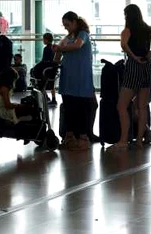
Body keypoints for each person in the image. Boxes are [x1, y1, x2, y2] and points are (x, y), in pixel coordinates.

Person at [108, 4, 151, 151]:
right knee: (142, 107)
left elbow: (123, 44)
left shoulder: (127, 30)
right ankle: (139, 142)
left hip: (134, 68)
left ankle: (123, 141)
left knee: (122, 106)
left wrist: (134, 57)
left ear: (127, 16)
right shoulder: (148, 29)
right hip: (148, 67)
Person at [53, 11, 95, 151]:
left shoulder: (83, 34)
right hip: (68, 77)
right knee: (69, 107)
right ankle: (69, 136)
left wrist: (61, 48)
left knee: (80, 107)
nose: (66, 27)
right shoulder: (66, 38)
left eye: (68, 24)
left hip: (81, 77)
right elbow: (57, 56)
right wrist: (57, 53)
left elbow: (78, 45)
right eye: (64, 25)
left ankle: (83, 137)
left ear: (75, 22)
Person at [42, 32, 58, 105]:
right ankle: (53, 99)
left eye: (44, 39)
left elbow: (44, 61)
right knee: (52, 85)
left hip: (47, 69)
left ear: (46, 40)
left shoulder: (46, 49)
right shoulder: (54, 47)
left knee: (42, 84)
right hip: (53, 68)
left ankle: (46, 97)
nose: (43, 41)